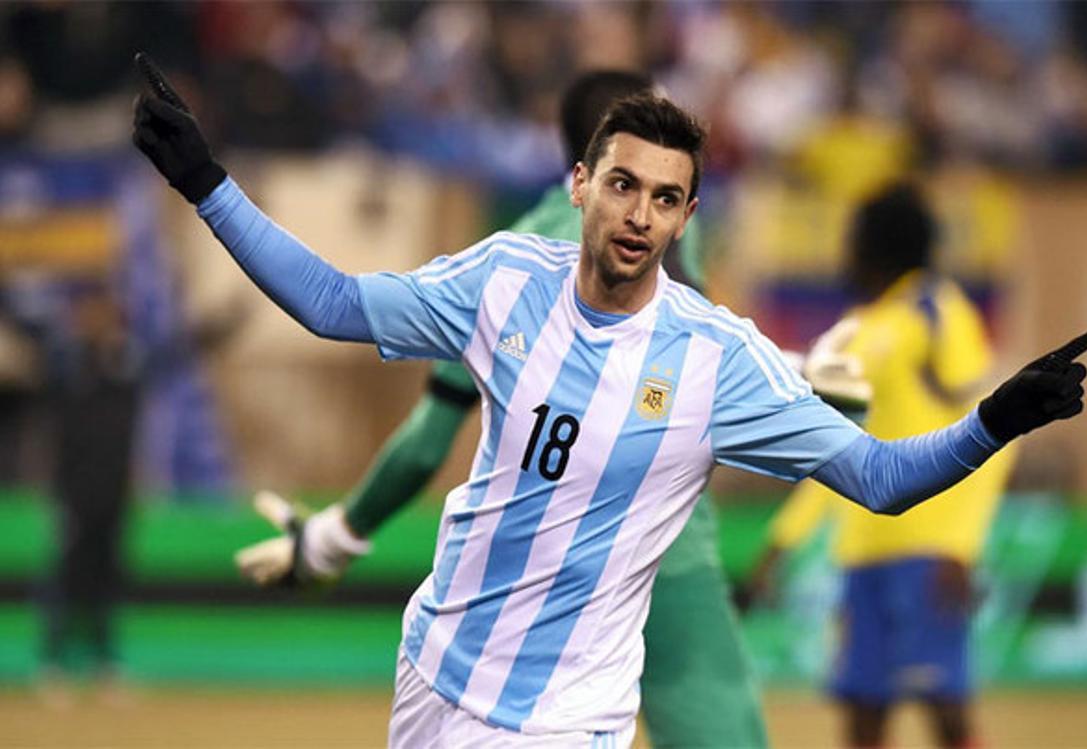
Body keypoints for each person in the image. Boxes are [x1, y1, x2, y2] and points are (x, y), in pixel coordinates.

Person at [131, 55, 1087, 748]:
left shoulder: (717, 359)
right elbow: (333, 303)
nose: (640, 214)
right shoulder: (505, 279)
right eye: (624, 185)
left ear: (687, 217)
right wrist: (206, 183)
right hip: (434, 665)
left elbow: (880, 477)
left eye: (666, 198)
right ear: (581, 184)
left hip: (566, 715)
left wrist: (996, 419)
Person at [234, 69, 768, 749]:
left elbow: (429, 437)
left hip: (536, 588)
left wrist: (332, 539)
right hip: (672, 555)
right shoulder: (666, 233)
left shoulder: (520, 260)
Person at [748, 183, 1016, 748]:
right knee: (863, 719)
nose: (844, 253)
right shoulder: (858, 331)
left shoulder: (936, 312)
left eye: (854, 238)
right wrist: (781, 544)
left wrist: (961, 545)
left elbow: (997, 431)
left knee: (947, 715)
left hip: (928, 553)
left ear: (878, 246)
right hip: (861, 555)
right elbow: (833, 455)